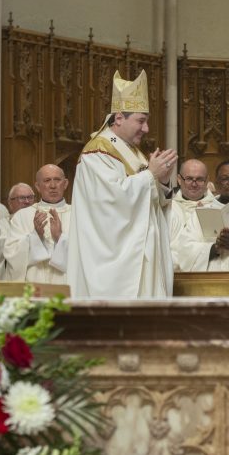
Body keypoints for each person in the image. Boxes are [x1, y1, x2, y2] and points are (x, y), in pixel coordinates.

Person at [68, 71, 177, 298]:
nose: (146, 128)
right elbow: (109, 204)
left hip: (143, 257)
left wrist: (163, 182)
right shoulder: (97, 152)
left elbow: (147, 202)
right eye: (141, 120)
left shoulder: (132, 152)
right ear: (119, 118)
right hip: (116, 264)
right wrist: (150, 176)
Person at [5, 164, 71, 284]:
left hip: (68, 285)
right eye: (47, 180)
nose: (52, 186)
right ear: (38, 186)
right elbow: (11, 253)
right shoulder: (22, 216)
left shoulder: (77, 214)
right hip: (32, 286)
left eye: (57, 180)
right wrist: (35, 237)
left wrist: (60, 238)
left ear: (65, 184)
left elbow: (87, 254)